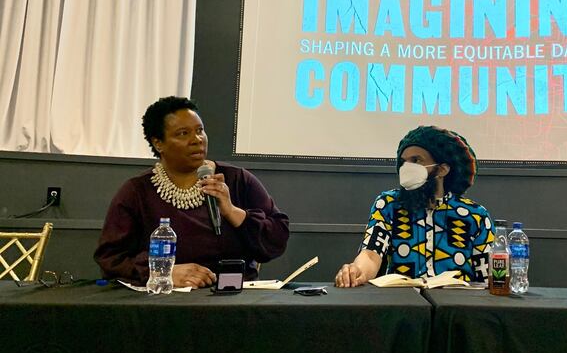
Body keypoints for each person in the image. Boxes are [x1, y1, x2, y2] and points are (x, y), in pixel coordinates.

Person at [94, 96, 289, 288]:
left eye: (199, 131)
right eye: (182, 133)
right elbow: (110, 259)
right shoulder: (137, 192)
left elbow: (277, 239)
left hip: (232, 298)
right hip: (166, 304)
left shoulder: (237, 180)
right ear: (158, 143)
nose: (196, 140)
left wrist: (232, 211)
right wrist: (163, 271)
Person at [335, 126, 494, 287]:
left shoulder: (476, 215)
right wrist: (356, 270)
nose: (406, 168)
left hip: (458, 306)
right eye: (403, 162)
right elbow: (370, 254)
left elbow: (488, 277)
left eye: (416, 160)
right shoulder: (389, 205)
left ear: (442, 169)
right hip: (404, 304)